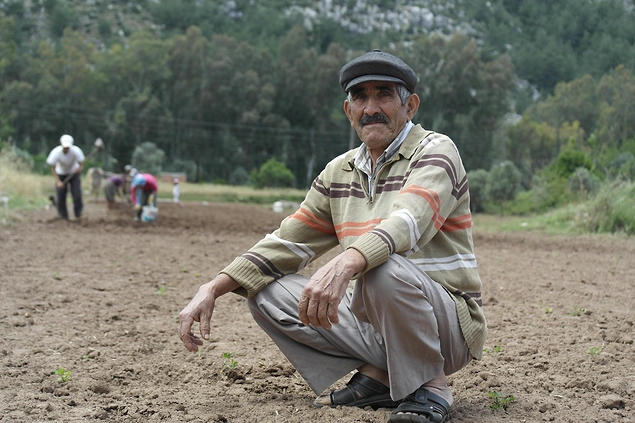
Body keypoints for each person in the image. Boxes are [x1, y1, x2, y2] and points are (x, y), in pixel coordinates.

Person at [178, 50, 487, 423]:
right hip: (378, 319)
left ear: (411, 106)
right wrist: (213, 287)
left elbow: (408, 222)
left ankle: (430, 385)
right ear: (348, 110)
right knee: (265, 291)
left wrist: (347, 260)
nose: (371, 107)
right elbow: (287, 241)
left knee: (380, 267)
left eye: (384, 94)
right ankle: (384, 375)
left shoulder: (435, 151)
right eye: (360, 98)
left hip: (446, 327)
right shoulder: (339, 172)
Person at [46, 134, 85, 221]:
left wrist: (79, 169)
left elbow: (81, 164)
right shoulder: (56, 152)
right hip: (60, 174)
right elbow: (52, 167)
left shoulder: (76, 151)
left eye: (68, 147)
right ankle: (63, 216)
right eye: (65, 147)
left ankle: (78, 214)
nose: (66, 149)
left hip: (73, 174)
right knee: (61, 196)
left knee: (77, 194)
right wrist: (58, 181)